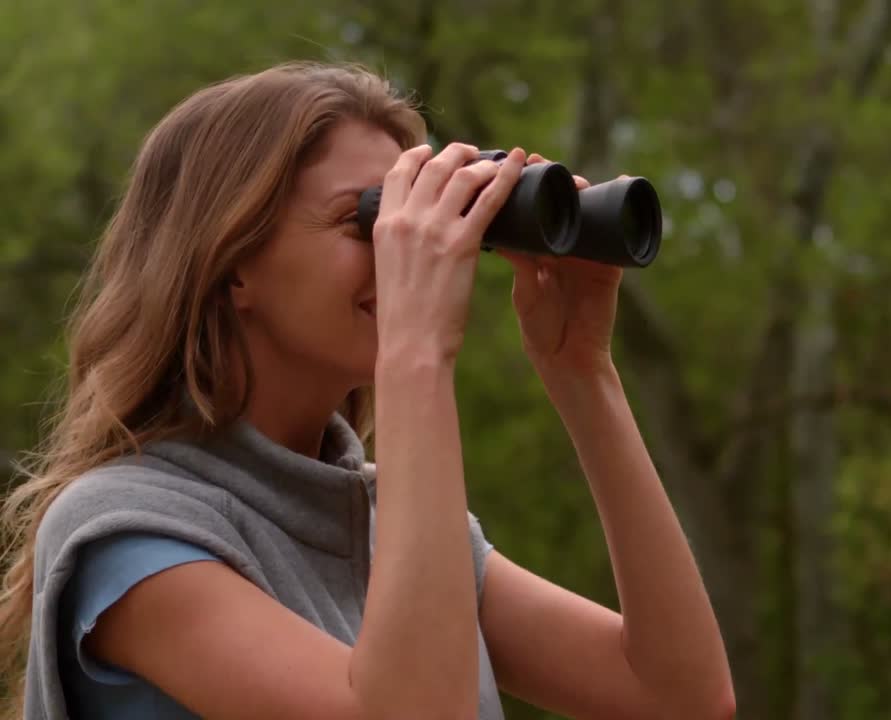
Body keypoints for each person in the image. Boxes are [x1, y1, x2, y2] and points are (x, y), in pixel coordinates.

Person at [0, 62, 735, 719]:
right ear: (232, 268)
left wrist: (583, 370)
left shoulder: (392, 525)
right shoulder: (124, 535)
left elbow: (678, 696)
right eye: (371, 223)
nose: (406, 252)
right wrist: (417, 350)